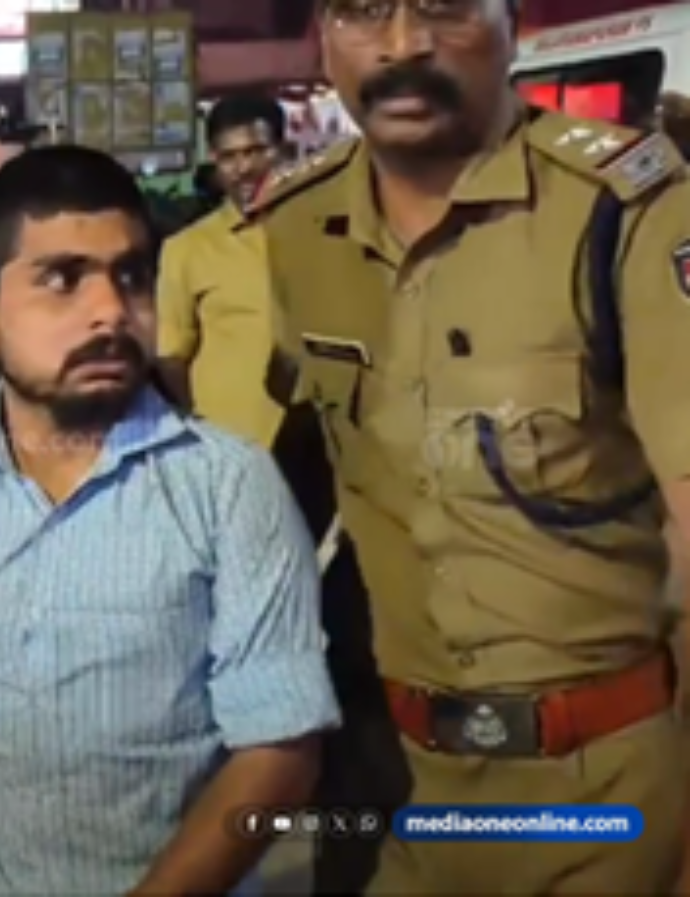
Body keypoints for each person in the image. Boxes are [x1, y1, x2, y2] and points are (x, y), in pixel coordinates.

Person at [253, 0, 689, 891]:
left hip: (600, 792)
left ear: (513, 25)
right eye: (363, 10)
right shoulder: (299, 226)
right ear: (322, 37)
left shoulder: (624, 211)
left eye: (445, 7)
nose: (403, 44)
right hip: (407, 781)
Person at [0, 144, 340, 896]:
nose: (111, 310)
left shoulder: (231, 487)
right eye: (62, 279)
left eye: (132, 276)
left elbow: (280, 751)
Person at [157, 93, 287, 446]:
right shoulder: (187, 249)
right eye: (229, 157)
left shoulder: (323, 232)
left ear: (283, 150)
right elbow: (171, 357)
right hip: (234, 444)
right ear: (214, 161)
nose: (243, 168)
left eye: (256, 151)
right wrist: (200, 430)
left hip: (324, 445)